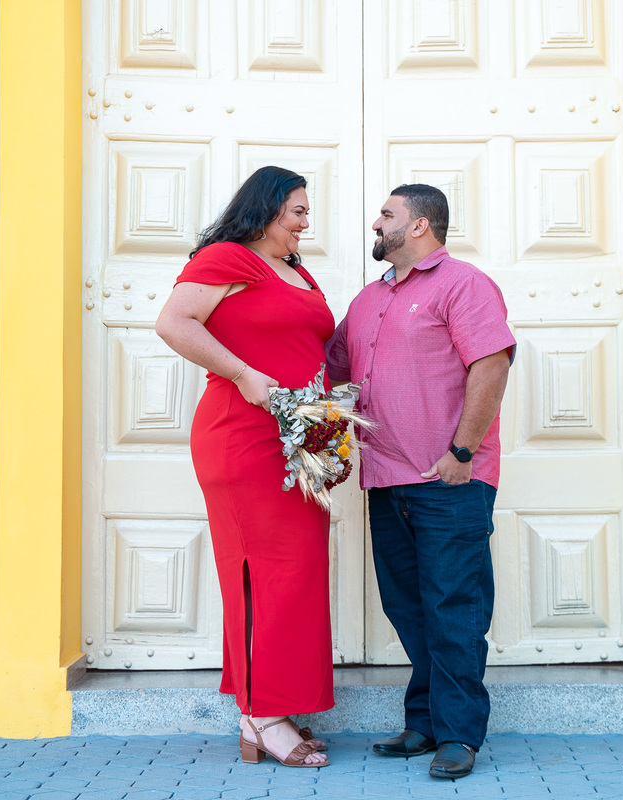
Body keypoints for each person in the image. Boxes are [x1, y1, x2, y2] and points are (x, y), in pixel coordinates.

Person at [325, 184, 514, 779]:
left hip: (449, 479)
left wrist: (463, 450)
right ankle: (426, 721)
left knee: (453, 607)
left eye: (387, 214)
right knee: (408, 608)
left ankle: (459, 734)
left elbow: (492, 363)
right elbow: (333, 371)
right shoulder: (366, 300)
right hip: (385, 480)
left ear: (420, 226)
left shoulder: (464, 284)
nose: (375, 223)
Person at [155, 166, 332, 768]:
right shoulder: (227, 258)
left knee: (298, 571)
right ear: (266, 208)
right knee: (260, 573)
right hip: (242, 435)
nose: (307, 222)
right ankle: (260, 717)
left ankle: (275, 704)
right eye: (299, 211)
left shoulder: (297, 270)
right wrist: (241, 373)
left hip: (296, 442)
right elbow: (174, 323)